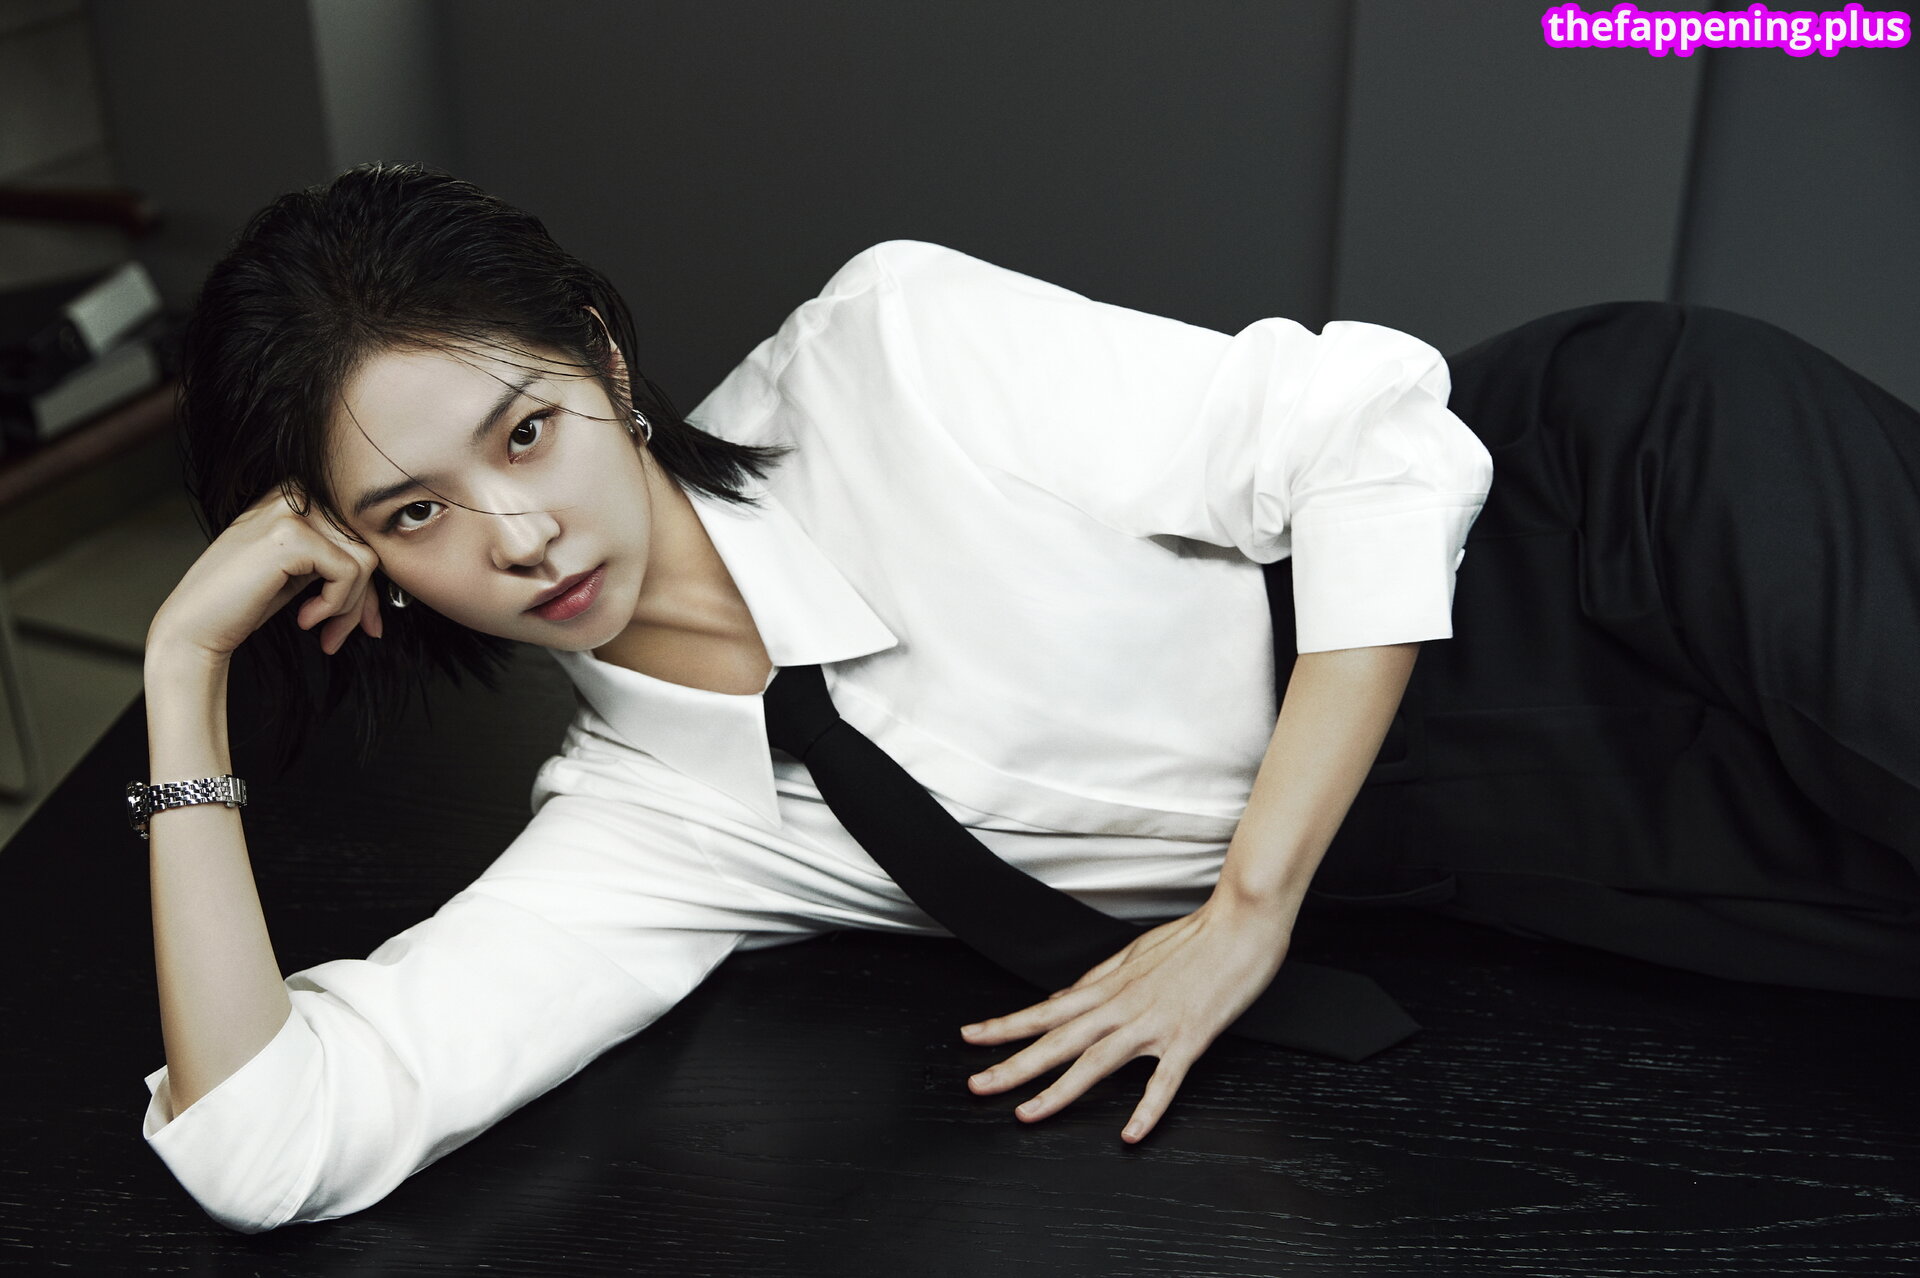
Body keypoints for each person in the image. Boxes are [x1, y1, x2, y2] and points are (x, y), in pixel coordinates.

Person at [133, 164, 1917, 1234]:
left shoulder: (889, 354)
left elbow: (1374, 440)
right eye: (415, 513)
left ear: (604, 357)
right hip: (1529, 836)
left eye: (525, 431)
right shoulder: (650, 828)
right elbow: (274, 1139)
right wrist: (182, 675)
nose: (516, 534)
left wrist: (1245, 910)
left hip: (1602, 523)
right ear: (356, 561)